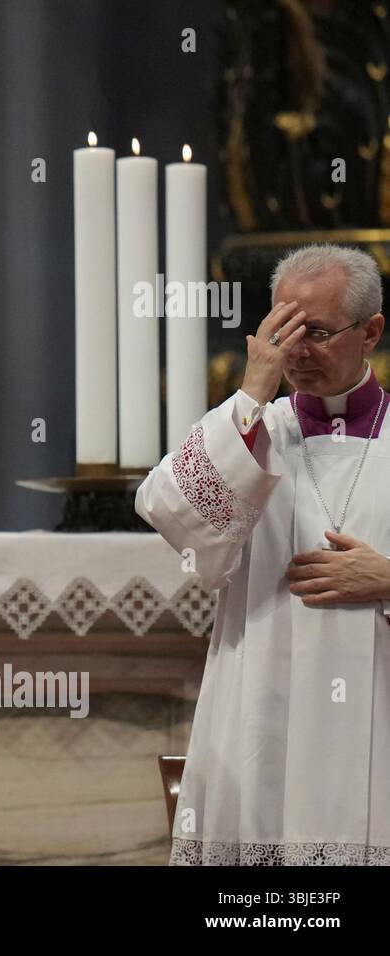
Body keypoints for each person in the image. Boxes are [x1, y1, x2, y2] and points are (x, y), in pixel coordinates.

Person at [136, 243, 390, 865]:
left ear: (372, 332)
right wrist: (250, 393)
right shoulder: (253, 432)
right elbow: (173, 514)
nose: (297, 353)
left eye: (319, 333)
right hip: (261, 711)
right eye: (285, 333)